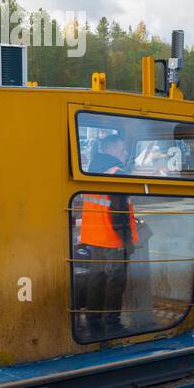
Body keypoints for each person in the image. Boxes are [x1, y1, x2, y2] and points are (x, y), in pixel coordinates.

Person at [75, 131, 138, 339]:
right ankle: (112, 324)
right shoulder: (117, 173)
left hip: (94, 237)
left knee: (97, 279)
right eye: (122, 149)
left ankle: (93, 321)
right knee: (116, 282)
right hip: (113, 239)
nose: (125, 152)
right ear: (111, 149)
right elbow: (118, 213)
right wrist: (126, 241)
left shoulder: (91, 169)